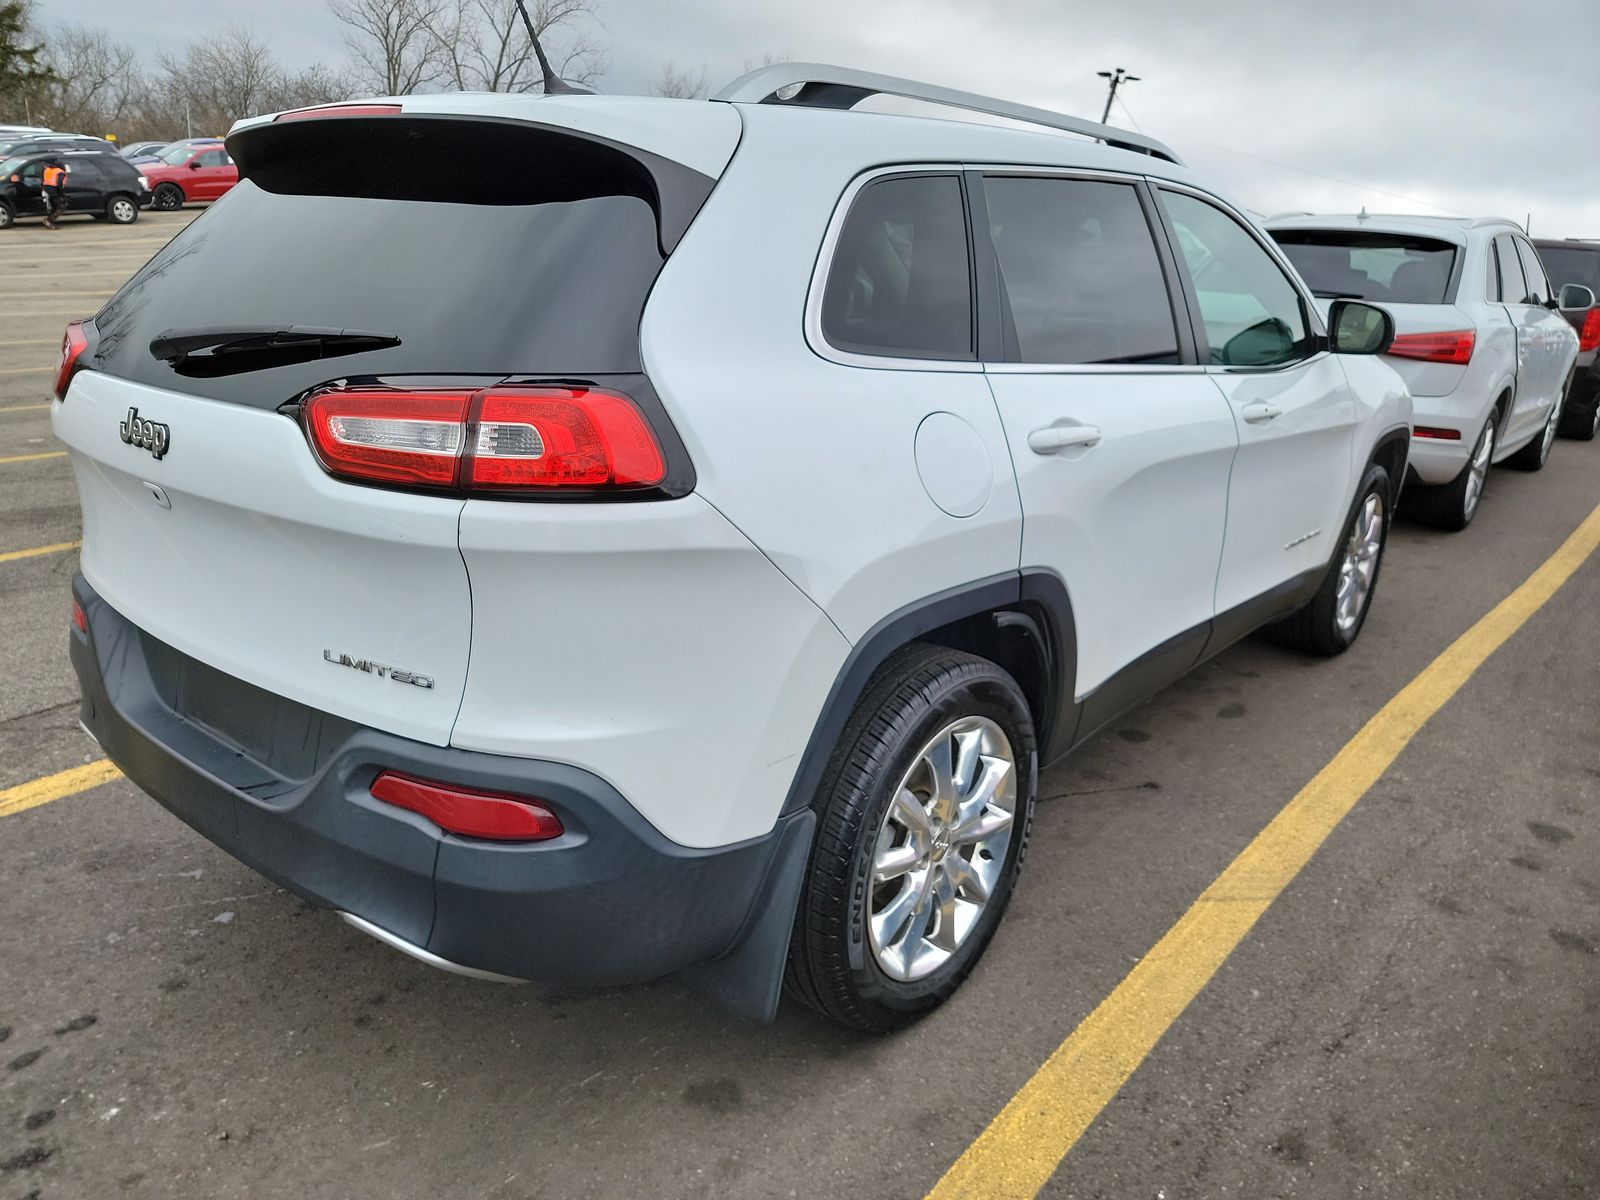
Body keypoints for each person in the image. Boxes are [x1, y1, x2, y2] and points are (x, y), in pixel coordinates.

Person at [41, 158, 67, 229]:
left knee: (53, 207)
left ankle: (50, 221)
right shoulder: (60, 172)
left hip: (46, 190)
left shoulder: (47, 170)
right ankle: (48, 220)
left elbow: (42, 180)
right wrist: (62, 194)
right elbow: (59, 184)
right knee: (61, 206)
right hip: (54, 191)